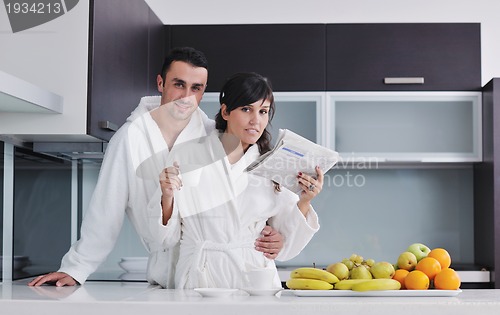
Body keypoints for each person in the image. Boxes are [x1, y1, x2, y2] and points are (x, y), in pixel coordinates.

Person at [28, 47, 284, 288]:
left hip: (216, 277)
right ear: (161, 83)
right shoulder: (130, 139)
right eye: (178, 84)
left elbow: (248, 197)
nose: (186, 96)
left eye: (196, 88)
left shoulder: (213, 135)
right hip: (165, 273)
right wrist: (76, 268)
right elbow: (106, 209)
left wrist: (275, 234)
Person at [154, 72, 323, 289]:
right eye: (246, 109)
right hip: (200, 276)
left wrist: (304, 202)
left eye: (263, 112)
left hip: (253, 277)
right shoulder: (187, 156)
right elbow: (166, 237)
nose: (256, 120)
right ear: (225, 111)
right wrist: (167, 195)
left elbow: (286, 246)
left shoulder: (272, 166)